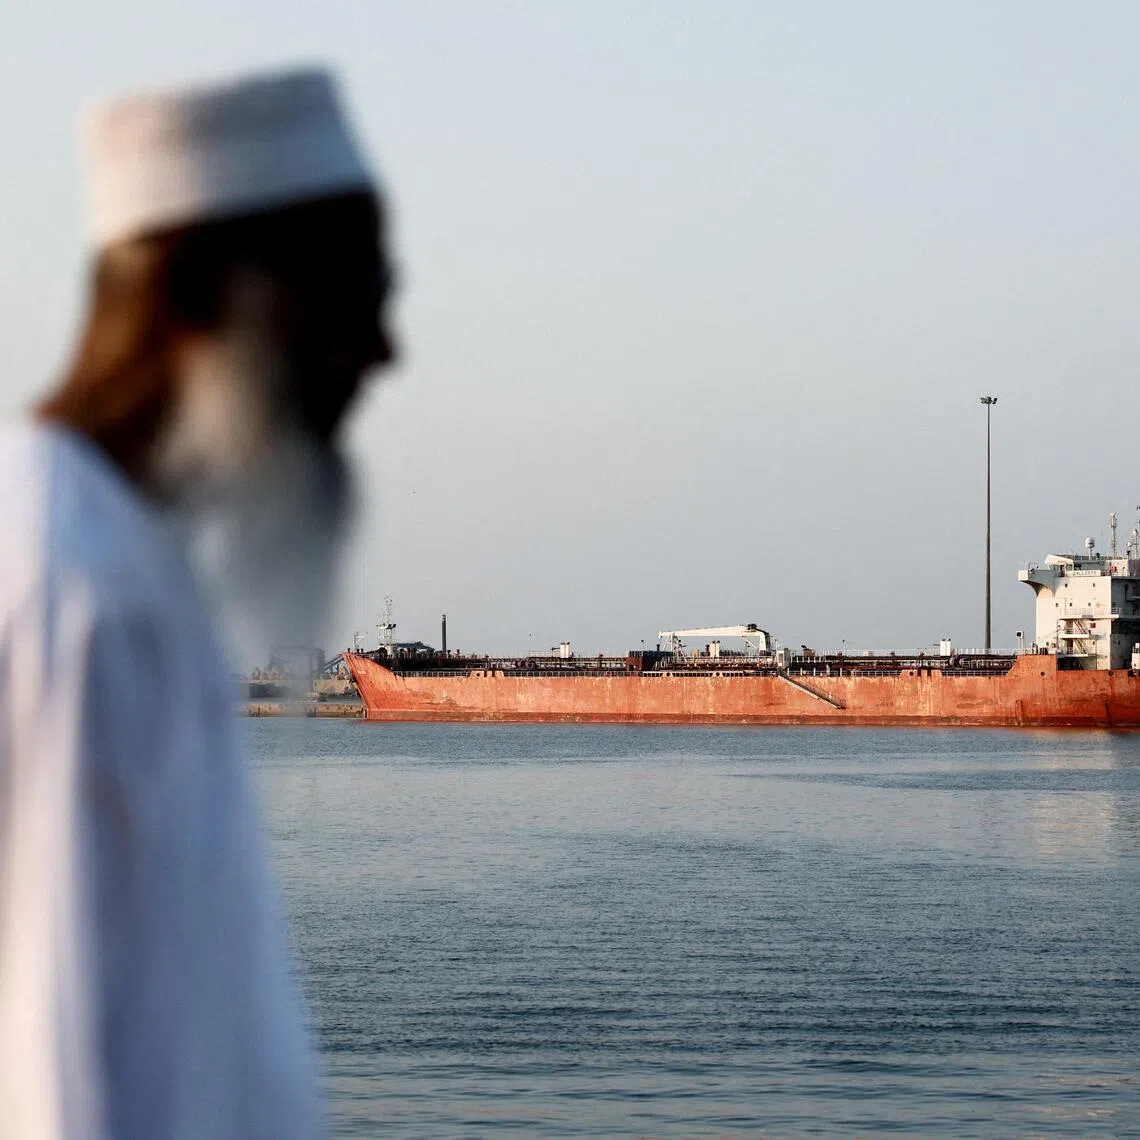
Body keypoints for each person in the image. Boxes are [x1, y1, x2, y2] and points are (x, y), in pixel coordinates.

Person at [0, 68, 395, 1138]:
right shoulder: (64, 580)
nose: (380, 351)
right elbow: (46, 1069)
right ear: (207, 290)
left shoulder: (122, 562)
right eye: (356, 298)